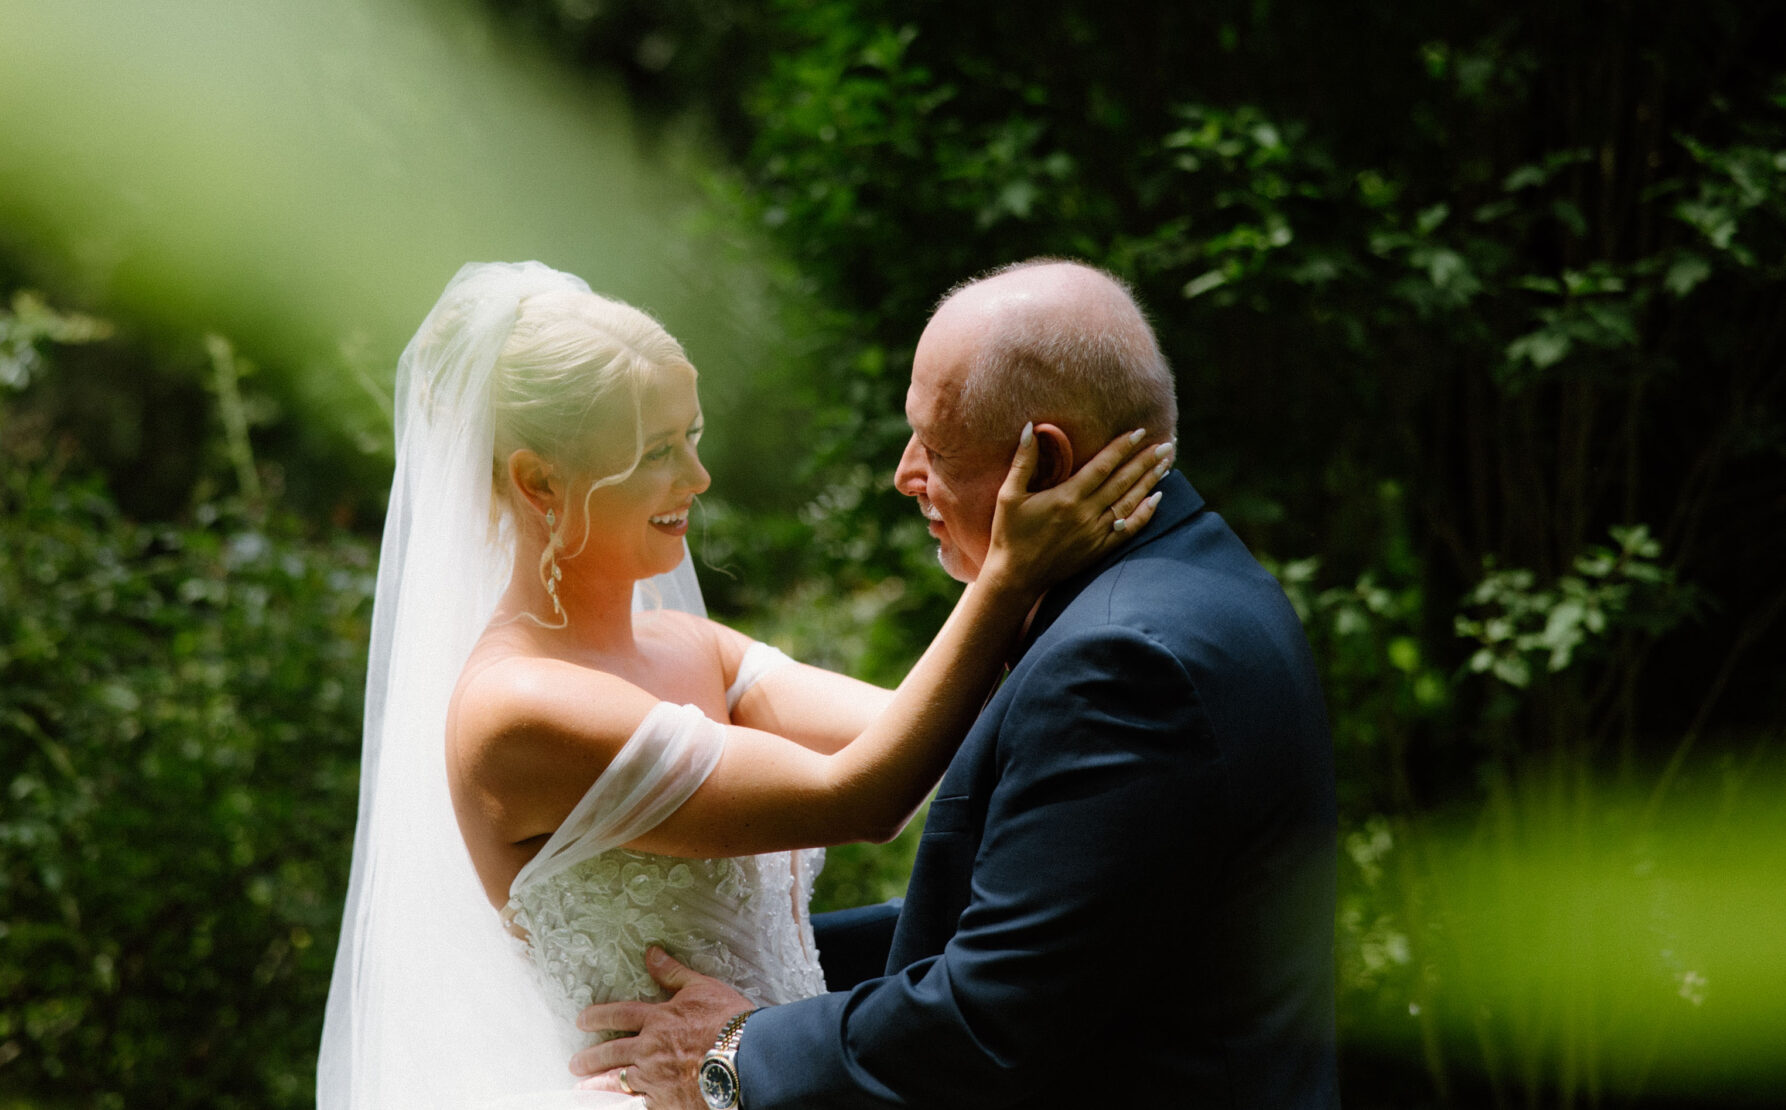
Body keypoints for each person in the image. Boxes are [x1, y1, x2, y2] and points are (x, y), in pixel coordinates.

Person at [315, 261, 1172, 1109]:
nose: (697, 478)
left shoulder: (695, 646)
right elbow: (864, 795)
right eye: (656, 452)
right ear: (540, 481)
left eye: (692, 437)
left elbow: (951, 733)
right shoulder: (520, 708)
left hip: (757, 1085)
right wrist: (1008, 578)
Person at [573, 258, 1340, 1110]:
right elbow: (1040, 920)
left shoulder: (1120, 663)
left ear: (1042, 462)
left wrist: (732, 1054)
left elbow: (987, 1023)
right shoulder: (1199, 581)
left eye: (934, 448)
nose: (906, 474)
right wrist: (761, 958)